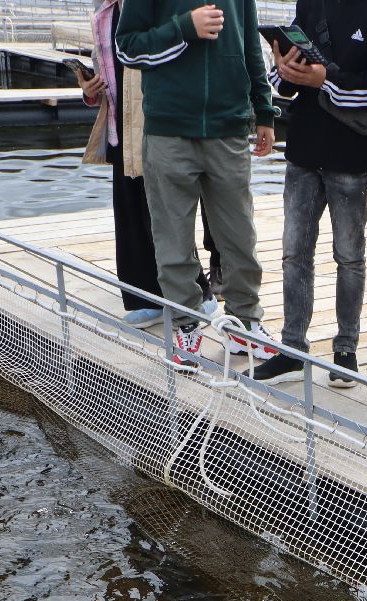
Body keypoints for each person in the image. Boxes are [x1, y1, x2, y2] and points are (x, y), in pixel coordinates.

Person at [116, 0, 279, 367]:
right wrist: (184, 28)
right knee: (172, 240)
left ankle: (245, 326)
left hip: (229, 129)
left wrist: (264, 110)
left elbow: (250, 47)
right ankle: (185, 325)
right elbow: (126, 48)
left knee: (240, 237)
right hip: (168, 131)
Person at [253, 0, 367, 387]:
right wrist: (284, 69)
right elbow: (283, 83)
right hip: (303, 150)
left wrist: (325, 81)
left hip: (353, 156)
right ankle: (292, 349)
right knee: (294, 253)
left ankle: (346, 349)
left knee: (349, 256)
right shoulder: (309, 4)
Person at [76, 0, 218, 327]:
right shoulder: (104, 11)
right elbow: (106, 70)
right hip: (120, 126)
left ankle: (199, 294)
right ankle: (146, 297)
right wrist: (89, 89)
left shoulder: (150, 6)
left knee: (164, 217)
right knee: (130, 219)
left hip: (156, 123)